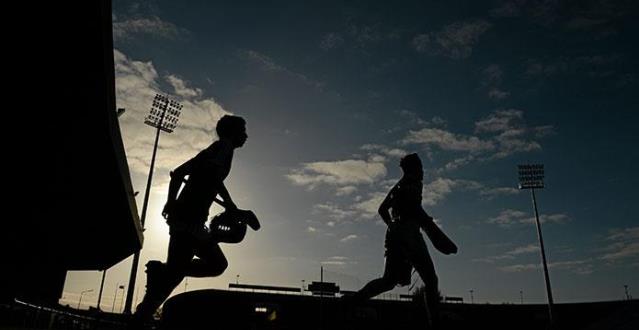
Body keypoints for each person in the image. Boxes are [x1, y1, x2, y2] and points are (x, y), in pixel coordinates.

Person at [131, 115, 249, 327]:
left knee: (175, 274)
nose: (246, 136)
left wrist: (171, 202)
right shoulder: (223, 148)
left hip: (186, 218)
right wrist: (230, 205)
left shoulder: (213, 150)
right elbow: (210, 177)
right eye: (243, 130)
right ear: (233, 132)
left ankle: (143, 312)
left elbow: (180, 174)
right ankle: (159, 279)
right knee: (216, 264)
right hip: (189, 220)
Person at [346, 153, 457, 329]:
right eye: (421, 168)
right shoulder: (413, 184)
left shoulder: (398, 186)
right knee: (431, 279)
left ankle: (352, 301)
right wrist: (433, 231)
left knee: (388, 281)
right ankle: (435, 324)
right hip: (409, 234)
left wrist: (392, 225)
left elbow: (382, 209)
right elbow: (415, 210)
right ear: (415, 168)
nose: (423, 172)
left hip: (394, 236)